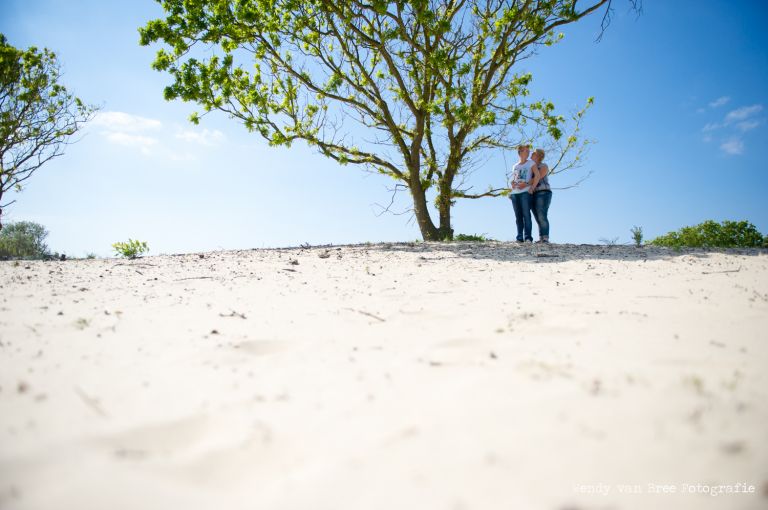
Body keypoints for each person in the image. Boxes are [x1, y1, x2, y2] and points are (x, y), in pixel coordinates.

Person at [509, 144, 538, 243]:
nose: (528, 152)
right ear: (520, 152)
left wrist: (531, 187)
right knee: (518, 216)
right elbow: (514, 179)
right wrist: (512, 184)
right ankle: (519, 237)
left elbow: (537, 176)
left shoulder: (531, 163)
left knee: (526, 215)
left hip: (525, 192)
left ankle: (528, 238)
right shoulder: (515, 166)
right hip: (515, 193)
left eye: (528, 151)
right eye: (526, 151)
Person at [529, 148, 552, 243]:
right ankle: (541, 238)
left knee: (542, 215)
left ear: (538, 156)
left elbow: (537, 178)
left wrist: (525, 183)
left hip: (543, 192)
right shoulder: (530, 168)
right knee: (537, 217)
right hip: (533, 194)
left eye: (533, 154)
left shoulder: (544, 166)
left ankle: (545, 238)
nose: (530, 156)